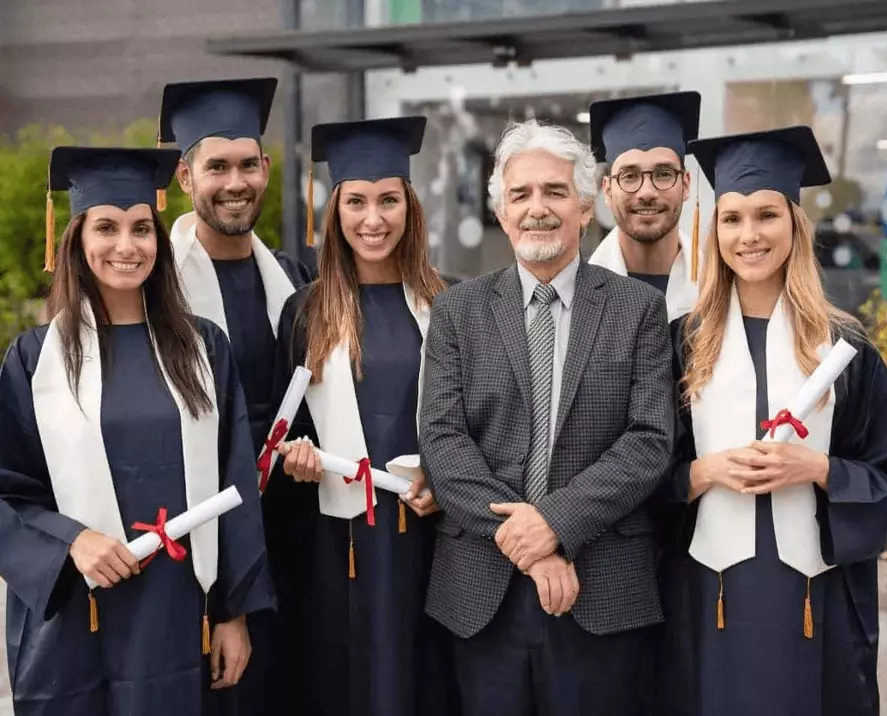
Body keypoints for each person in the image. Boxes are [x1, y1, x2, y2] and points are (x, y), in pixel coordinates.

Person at [0, 147, 274, 716]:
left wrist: (232, 612)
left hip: (178, 611)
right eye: (106, 227)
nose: (126, 246)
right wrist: (74, 539)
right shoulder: (34, 359)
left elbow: (235, 485)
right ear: (75, 240)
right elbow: (8, 489)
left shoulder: (202, 348)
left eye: (141, 228)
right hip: (75, 612)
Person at [419, 118, 675, 716]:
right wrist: (532, 547)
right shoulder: (458, 310)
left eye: (555, 192)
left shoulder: (638, 309)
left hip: (602, 587)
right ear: (502, 214)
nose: (538, 208)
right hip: (483, 589)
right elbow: (443, 439)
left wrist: (555, 523)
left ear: (586, 209)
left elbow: (649, 441)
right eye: (521, 194)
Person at [661, 125, 887, 716]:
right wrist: (704, 471)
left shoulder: (844, 348)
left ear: (795, 223)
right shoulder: (684, 344)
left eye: (766, 215)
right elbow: (642, 469)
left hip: (817, 597)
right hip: (706, 593)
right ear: (713, 231)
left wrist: (819, 468)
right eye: (731, 218)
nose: (749, 235)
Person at [270, 116, 461, 716]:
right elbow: (285, 427)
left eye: (388, 200)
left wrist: (444, 475)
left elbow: (483, 422)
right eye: (355, 201)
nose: (372, 218)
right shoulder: (306, 312)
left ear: (411, 205)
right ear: (335, 208)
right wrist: (293, 458)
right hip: (337, 546)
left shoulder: (452, 302)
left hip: (434, 541)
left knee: (428, 681)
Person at [157, 77, 311, 716]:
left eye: (248, 164)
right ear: (187, 178)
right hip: (202, 538)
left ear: (266, 169)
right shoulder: (153, 290)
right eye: (215, 166)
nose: (235, 181)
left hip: (294, 535)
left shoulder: (297, 280)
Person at [587, 91, 702, 320]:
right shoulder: (577, 298)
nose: (647, 192)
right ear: (608, 190)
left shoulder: (718, 290)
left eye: (663, 174)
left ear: (686, 184)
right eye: (630, 176)